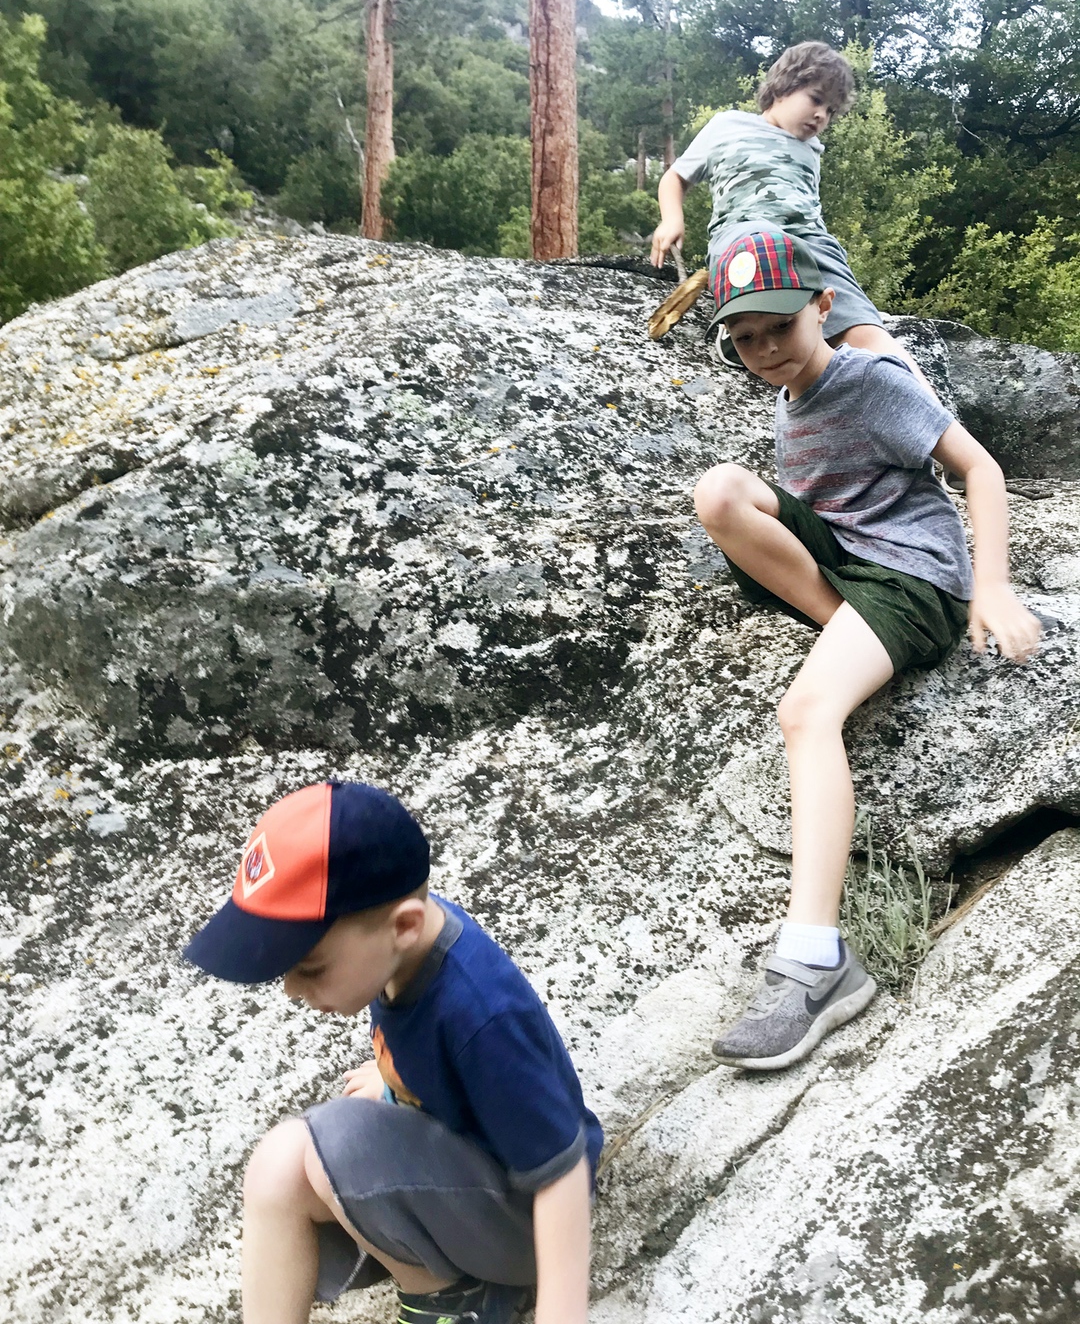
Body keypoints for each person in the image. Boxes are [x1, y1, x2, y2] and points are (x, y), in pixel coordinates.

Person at [695, 227, 1042, 1071]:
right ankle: (842, 629)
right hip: (849, 567)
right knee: (719, 491)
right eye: (745, 338)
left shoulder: (872, 380)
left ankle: (817, 963)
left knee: (807, 714)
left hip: (912, 577)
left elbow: (980, 470)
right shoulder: (788, 399)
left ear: (823, 306)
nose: (766, 349)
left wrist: (990, 586)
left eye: (780, 326)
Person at [184, 780, 601, 1324]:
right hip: (463, 1186)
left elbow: (561, 1172)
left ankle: (453, 1294)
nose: (290, 989)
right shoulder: (395, 941)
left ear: (404, 926)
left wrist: (561, 1313)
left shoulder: (481, 1012)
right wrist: (394, 1082)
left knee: (339, 1144)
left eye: (309, 968)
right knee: (276, 1165)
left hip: (522, 1222)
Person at [650, 40, 926, 381]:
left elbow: (809, 209)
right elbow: (675, 177)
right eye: (816, 99)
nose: (822, 115)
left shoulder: (811, 151)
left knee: (863, 326)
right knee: (762, 252)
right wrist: (672, 219)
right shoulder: (728, 125)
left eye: (831, 111)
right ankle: (743, 328)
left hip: (807, 242)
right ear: (783, 86)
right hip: (743, 235)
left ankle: (925, 403)